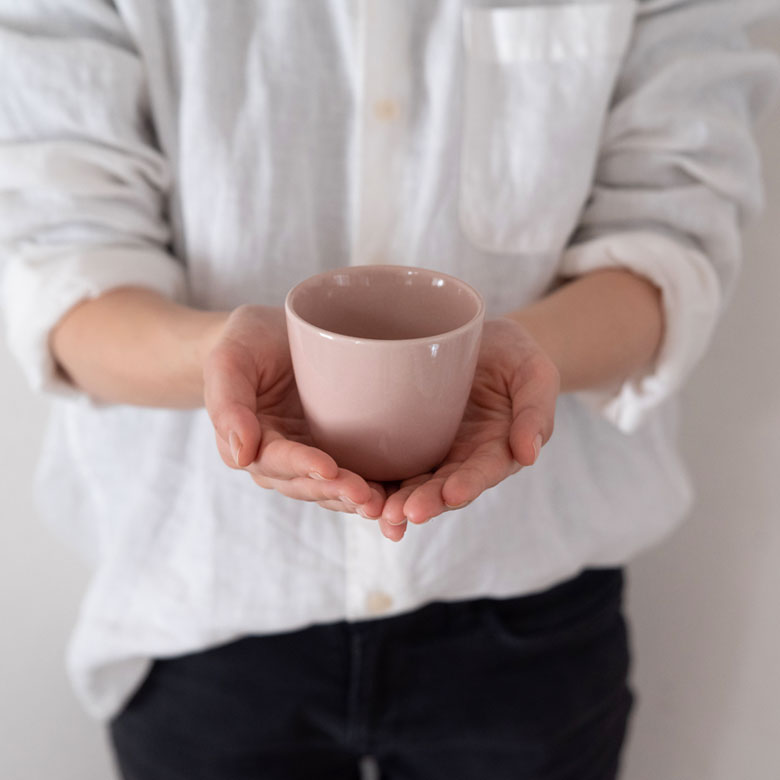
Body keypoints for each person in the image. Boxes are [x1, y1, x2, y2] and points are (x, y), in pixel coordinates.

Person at [1, 1, 778, 778]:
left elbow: (672, 235)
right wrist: (221, 360)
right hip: (203, 605)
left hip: (528, 612)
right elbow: (64, 266)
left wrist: (519, 361)